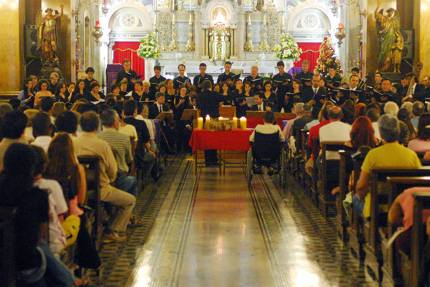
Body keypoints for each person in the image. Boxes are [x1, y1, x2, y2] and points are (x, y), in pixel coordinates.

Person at [0, 143, 75, 287]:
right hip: (28, 266)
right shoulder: (37, 196)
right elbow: (42, 236)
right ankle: (69, 280)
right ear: (32, 168)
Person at [75, 111, 136, 242]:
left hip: (77, 190)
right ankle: (113, 230)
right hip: (100, 189)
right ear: (97, 126)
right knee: (130, 200)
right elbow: (113, 171)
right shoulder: (102, 145)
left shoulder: (74, 143)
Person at [355, 115, 421, 217]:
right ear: (398, 132)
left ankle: (359, 229)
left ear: (381, 133)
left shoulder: (373, 155)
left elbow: (361, 186)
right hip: (403, 208)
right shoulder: (411, 155)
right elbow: (418, 183)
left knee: (354, 200)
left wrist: (362, 196)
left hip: (376, 210)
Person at [31, 145, 68, 255]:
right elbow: (61, 215)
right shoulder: (48, 188)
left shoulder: (13, 189)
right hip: (47, 246)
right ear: (44, 166)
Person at [98, 109, 137, 197]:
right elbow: (129, 159)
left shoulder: (96, 138)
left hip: (99, 177)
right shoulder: (124, 138)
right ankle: (128, 203)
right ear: (115, 122)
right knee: (133, 180)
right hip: (119, 177)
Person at [123, 100, 158, 180]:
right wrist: (150, 151)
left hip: (123, 155)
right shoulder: (141, 123)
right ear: (135, 111)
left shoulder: (121, 123)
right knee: (152, 157)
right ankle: (144, 177)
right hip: (138, 156)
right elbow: (146, 142)